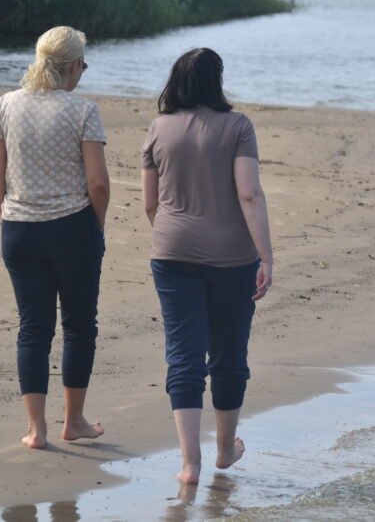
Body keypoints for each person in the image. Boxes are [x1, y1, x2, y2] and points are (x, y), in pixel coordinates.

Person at [141, 47, 273, 486]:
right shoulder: (238, 126)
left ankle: (189, 465)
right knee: (229, 354)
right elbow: (249, 194)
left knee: (184, 354)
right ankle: (224, 451)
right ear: (216, 80)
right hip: (232, 256)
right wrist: (266, 256)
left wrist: (174, 235)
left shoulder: (158, 128)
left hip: (171, 252)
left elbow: (150, 203)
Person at [0, 26, 110, 449]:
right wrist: (97, 224)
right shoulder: (83, 110)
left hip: (20, 230)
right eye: (83, 65)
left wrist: (9, 212)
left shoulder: (7, 104)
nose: (82, 72)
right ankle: (73, 422)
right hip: (72, 228)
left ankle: (36, 429)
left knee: (33, 328)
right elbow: (98, 183)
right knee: (78, 326)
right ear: (72, 66)